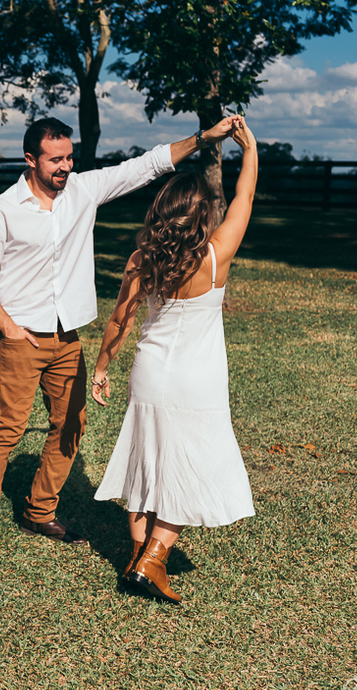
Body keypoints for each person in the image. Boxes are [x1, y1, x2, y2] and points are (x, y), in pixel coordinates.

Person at [0, 115, 243, 581]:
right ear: (30, 160)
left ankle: (39, 510)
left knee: (70, 424)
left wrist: (203, 139)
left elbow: (146, 165)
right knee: (4, 432)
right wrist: (6, 327)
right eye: (56, 159)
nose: (66, 166)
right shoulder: (2, 210)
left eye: (70, 157)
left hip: (67, 337)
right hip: (19, 338)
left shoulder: (83, 191)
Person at [89, 119, 258, 604]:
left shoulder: (143, 259)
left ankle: (137, 557)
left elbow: (119, 321)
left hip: (149, 375)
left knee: (146, 465)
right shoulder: (215, 256)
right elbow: (243, 199)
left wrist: (102, 367)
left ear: (161, 212)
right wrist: (251, 154)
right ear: (202, 215)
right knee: (191, 468)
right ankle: (154, 558)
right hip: (196, 382)